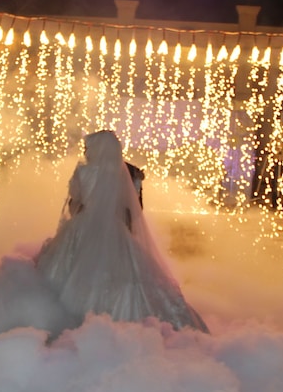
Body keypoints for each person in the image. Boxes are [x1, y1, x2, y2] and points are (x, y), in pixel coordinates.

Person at [36, 130, 208, 332]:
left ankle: (66, 323)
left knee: (67, 272)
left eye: (87, 148)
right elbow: (134, 211)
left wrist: (83, 215)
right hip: (115, 230)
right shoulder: (124, 175)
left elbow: (74, 206)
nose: (85, 152)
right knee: (128, 276)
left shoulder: (83, 171)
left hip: (83, 228)